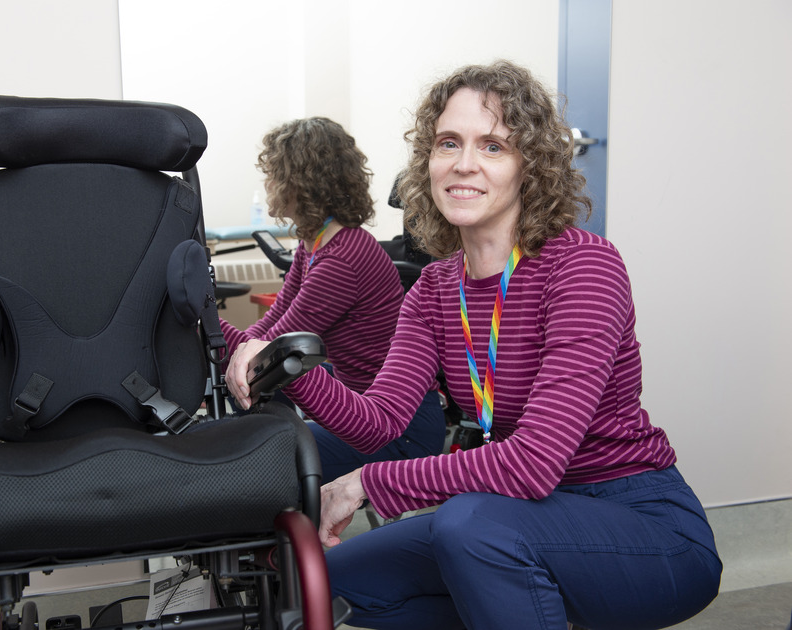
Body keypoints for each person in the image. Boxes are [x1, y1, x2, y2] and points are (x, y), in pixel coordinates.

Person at [226, 61, 722, 629]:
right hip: (518, 517)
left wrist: (367, 481)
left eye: (492, 146)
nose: (464, 163)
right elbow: (379, 422)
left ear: (527, 168)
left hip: (640, 521)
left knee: (469, 526)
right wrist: (282, 364)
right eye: (447, 143)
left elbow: (534, 464)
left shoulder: (582, 266)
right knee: (326, 581)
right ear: (427, 162)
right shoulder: (436, 289)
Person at [220, 116, 446, 484]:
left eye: (276, 174)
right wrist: (233, 342)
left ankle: (276, 533)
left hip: (400, 428)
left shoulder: (343, 259)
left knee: (265, 461)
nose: (269, 183)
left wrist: (206, 323)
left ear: (301, 182)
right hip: (365, 407)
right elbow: (270, 324)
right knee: (255, 424)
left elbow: (272, 350)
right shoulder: (315, 244)